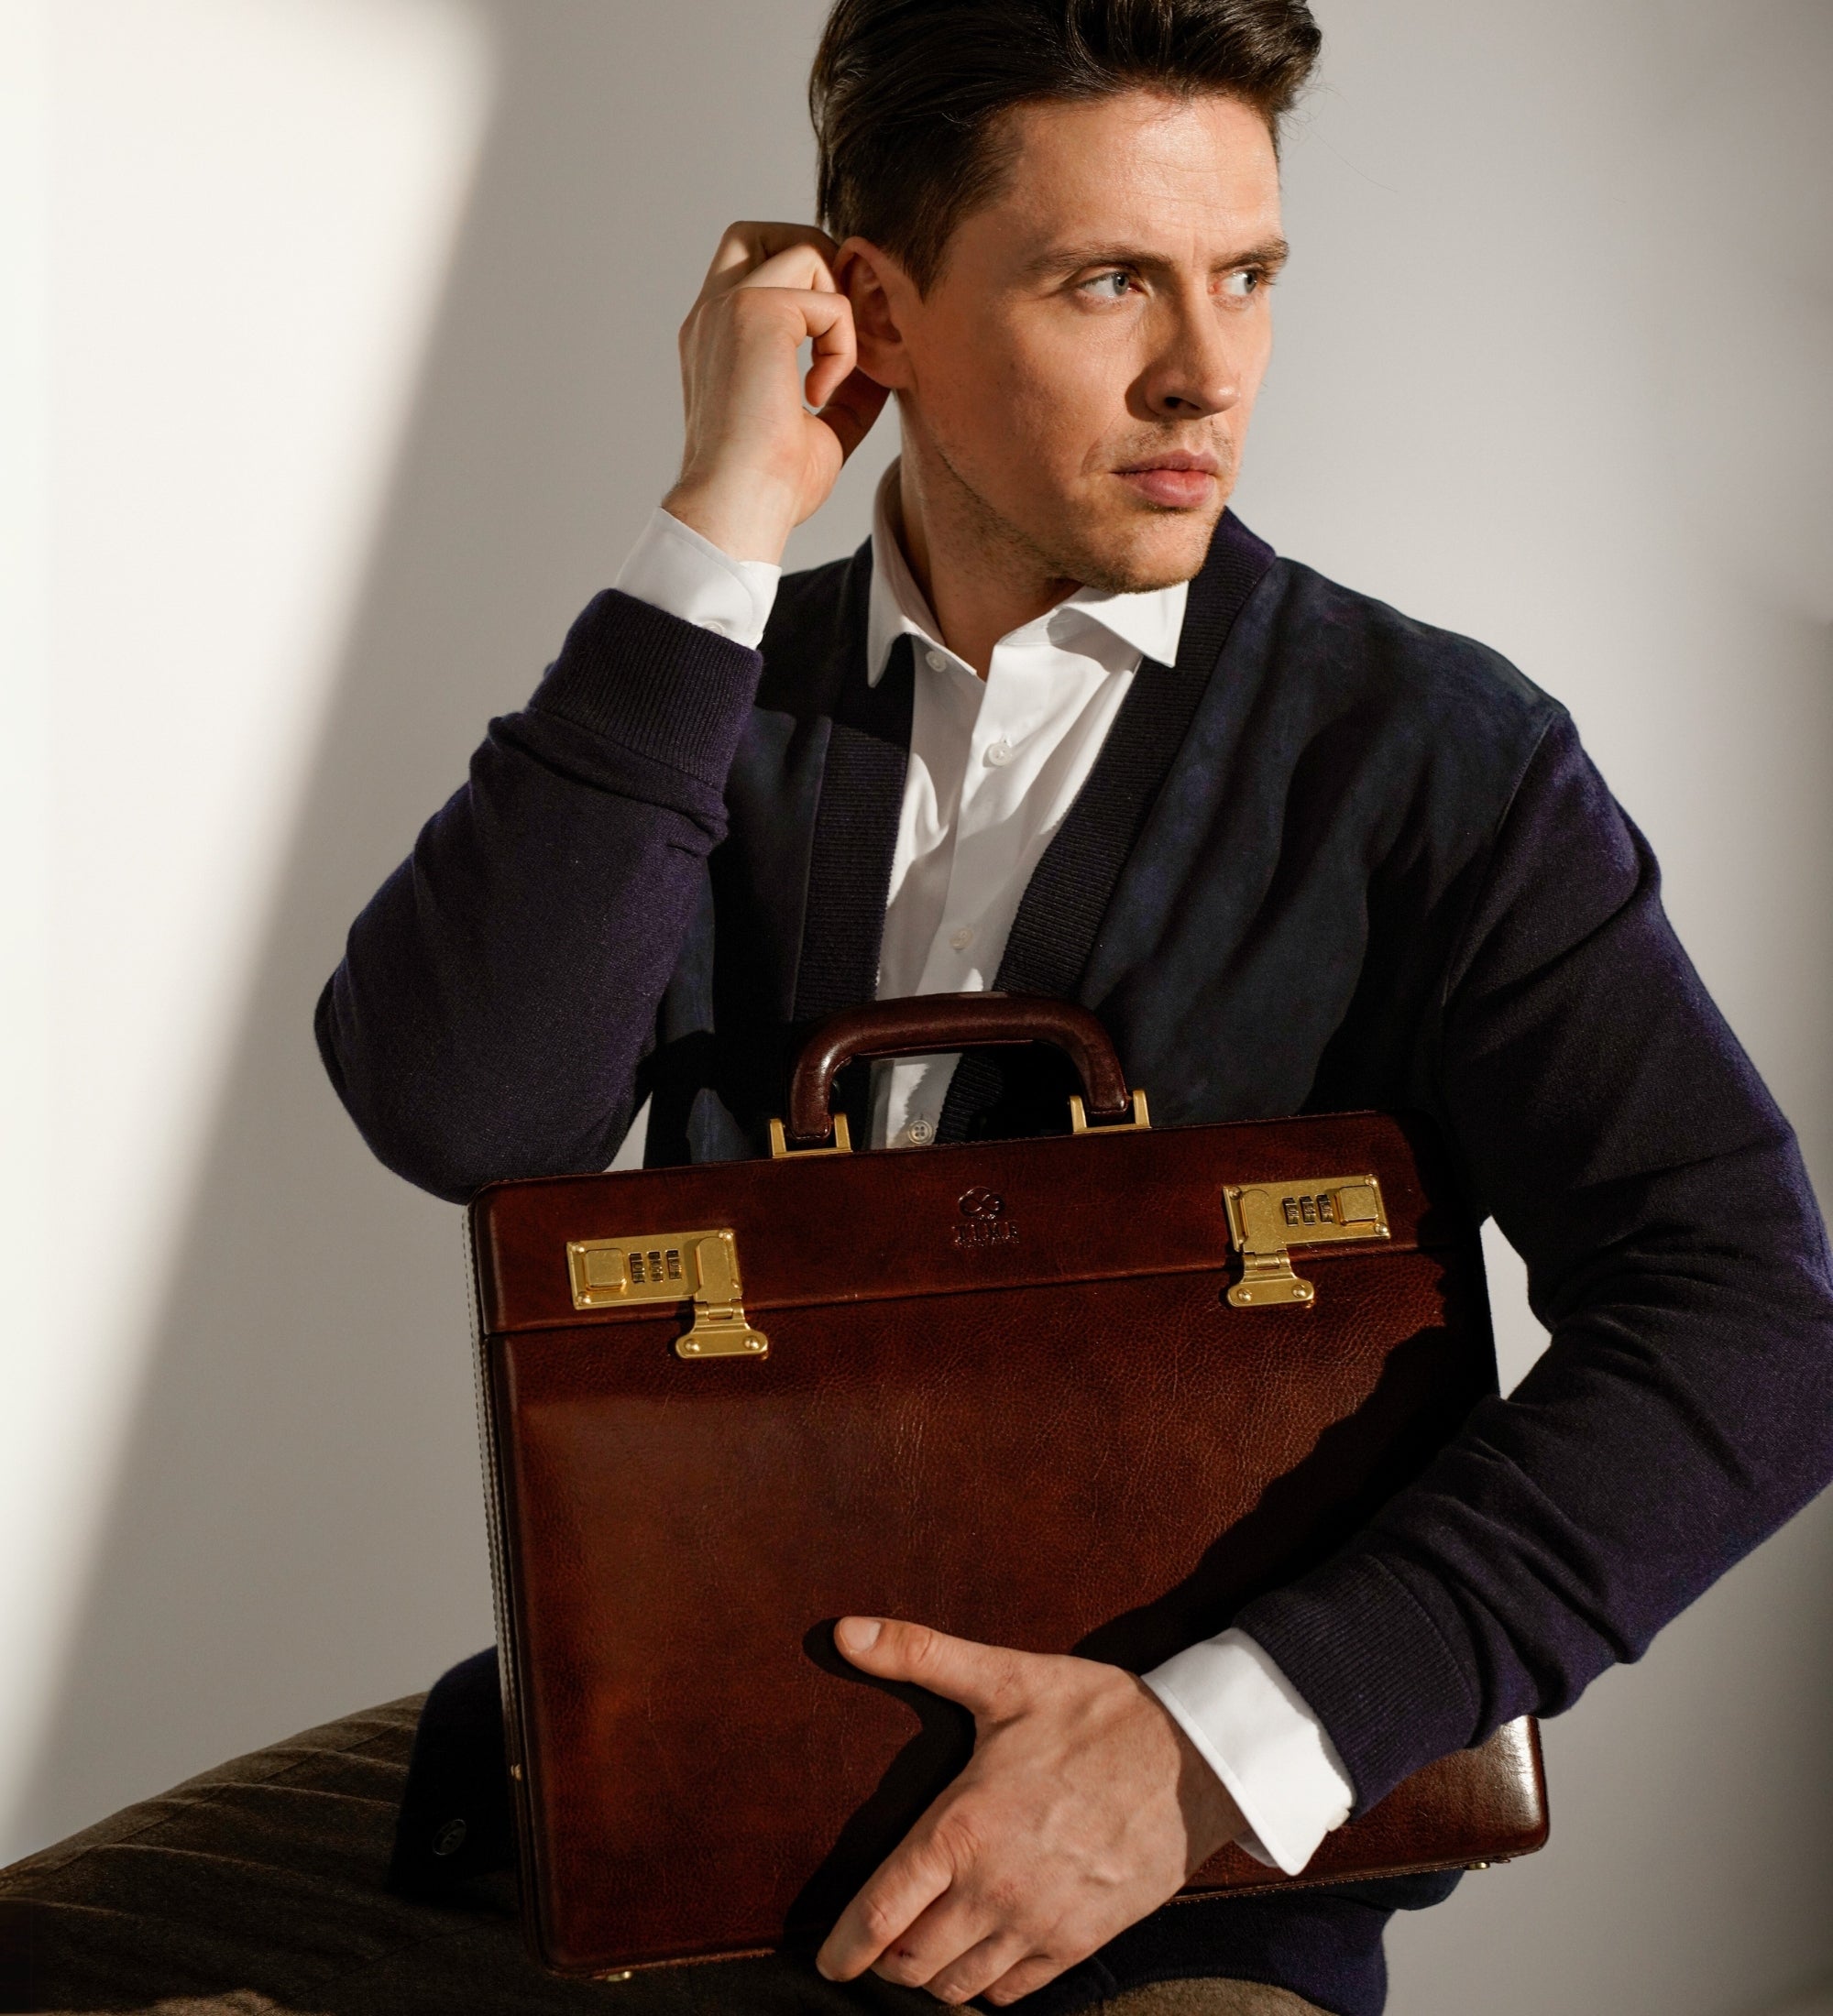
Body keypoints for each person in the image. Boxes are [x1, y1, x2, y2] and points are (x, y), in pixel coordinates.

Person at [6, 3, 1831, 2014]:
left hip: (1168, 1897)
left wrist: (1202, 1750)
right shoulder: (708, 696)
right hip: (662, 1789)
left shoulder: (1429, 760)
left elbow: (1750, 1325)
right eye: (1107, 280)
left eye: (1245, 275)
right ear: (874, 309)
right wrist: (721, 524)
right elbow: (464, 1109)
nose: (1205, 369)